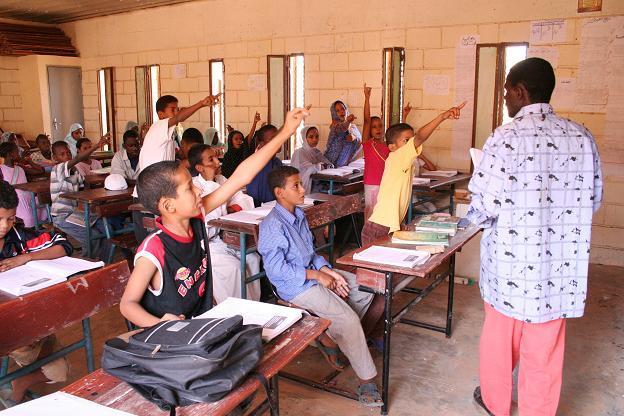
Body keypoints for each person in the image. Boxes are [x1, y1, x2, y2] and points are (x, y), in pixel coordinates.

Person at [467, 58, 603, 416]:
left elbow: (485, 206)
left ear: (520, 91)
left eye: (506, 92)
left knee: (500, 338)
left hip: (509, 264)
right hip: (559, 267)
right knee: (545, 347)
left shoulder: (504, 138)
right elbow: (593, 199)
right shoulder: (581, 136)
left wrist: (476, 213)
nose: (505, 99)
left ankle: (496, 403)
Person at [119, 107, 309, 327]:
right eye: (189, 188)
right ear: (168, 205)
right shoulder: (154, 248)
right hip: (170, 336)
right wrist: (161, 324)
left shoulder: (197, 219)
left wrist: (286, 132)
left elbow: (241, 177)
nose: (198, 189)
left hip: (200, 324)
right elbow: (128, 304)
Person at [257, 166, 383, 407]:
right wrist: (316, 276)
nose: (302, 189)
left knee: (365, 288)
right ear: (279, 193)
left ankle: (334, 338)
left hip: (313, 275)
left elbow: (311, 254)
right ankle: (366, 380)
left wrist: (326, 270)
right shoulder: (272, 226)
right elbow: (276, 272)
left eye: (300, 184)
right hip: (295, 286)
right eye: (296, 186)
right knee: (348, 319)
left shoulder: (299, 215)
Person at [0, 180, 73, 405]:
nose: (4, 226)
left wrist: (26, 257)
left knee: (60, 371)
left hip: (26, 322)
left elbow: (63, 244)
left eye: (10, 218)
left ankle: (19, 383)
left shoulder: (19, 238)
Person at [361, 103, 465, 246]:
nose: (411, 143)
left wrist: (399, 223)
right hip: (378, 228)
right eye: (406, 141)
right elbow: (420, 137)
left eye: (411, 139)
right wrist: (442, 117)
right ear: (392, 147)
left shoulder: (403, 161)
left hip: (386, 226)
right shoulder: (397, 157)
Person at [131, 94, 220, 242]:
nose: (177, 112)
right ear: (161, 114)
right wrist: (201, 103)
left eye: (177, 109)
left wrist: (202, 160)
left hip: (159, 195)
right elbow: (179, 117)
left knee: (164, 242)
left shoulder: (168, 138)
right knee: (150, 243)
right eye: (173, 109)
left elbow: (175, 166)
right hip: (147, 197)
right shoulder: (158, 127)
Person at [188, 144, 261, 303]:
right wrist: (224, 210)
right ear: (200, 167)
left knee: (252, 258)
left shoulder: (221, 180)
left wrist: (230, 208)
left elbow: (244, 200)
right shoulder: (195, 186)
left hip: (223, 237)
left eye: (216, 157)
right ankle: (234, 308)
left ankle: (254, 303)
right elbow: (206, 218)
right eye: (211, 159)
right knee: (233, 268)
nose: (217, 162)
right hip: (205, 244)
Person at [49, 135, 110, 258]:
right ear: (55, 158)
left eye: (68, 152)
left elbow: (84, 189)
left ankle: (104, 261)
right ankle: (88, 262)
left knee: (106, 229)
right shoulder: (58, 169)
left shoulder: (75, 170)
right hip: (62, 216)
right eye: (62, 154)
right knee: (92, 236)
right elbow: (78, 158)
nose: (67, 156)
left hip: (76, 213)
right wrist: (96, 146)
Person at [0, 143, 46, 227]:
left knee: (42, 202)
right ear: (10, 155)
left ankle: (36, 224)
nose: (19, 153)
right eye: (17, 152)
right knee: (28, 214)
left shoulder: (20, 168)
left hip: (28, 198)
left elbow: (39, 170)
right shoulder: (1, 169)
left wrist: (29, 160)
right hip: (15, 201)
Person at [246, 125, 283, 207]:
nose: (278, 140)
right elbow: (254, 197)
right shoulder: (257, 164)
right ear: (261, 144)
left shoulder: (277, 162)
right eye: (272, 138)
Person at [290, 125, 333, 193]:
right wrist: (320, 166)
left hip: (317, 183)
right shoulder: (299, 153)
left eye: (317, 136)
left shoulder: (316, 152)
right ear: (304, 138)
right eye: (311, 137)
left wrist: (321, 166)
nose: (315, 139)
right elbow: (305, 170)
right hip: (304, 185)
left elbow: (329, 164)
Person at [221, 112, 263, 178]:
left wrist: (255, 123)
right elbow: (225, 171)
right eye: (236, 139)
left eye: (241, 139)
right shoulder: (227, 155)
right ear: (231, 141)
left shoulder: (244, 149)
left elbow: (249, 137)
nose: (239, 141)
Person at [324, 100, 362, 167]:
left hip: (343, 165)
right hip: (329, 163)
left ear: (346, 110)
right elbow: (342, 129)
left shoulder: (353, 127)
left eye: (342, 109)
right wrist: (348, 121)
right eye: (337, 111)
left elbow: (360, 139)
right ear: (334, 114)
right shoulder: (334, 126)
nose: (341, 111)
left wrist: (354, 137)